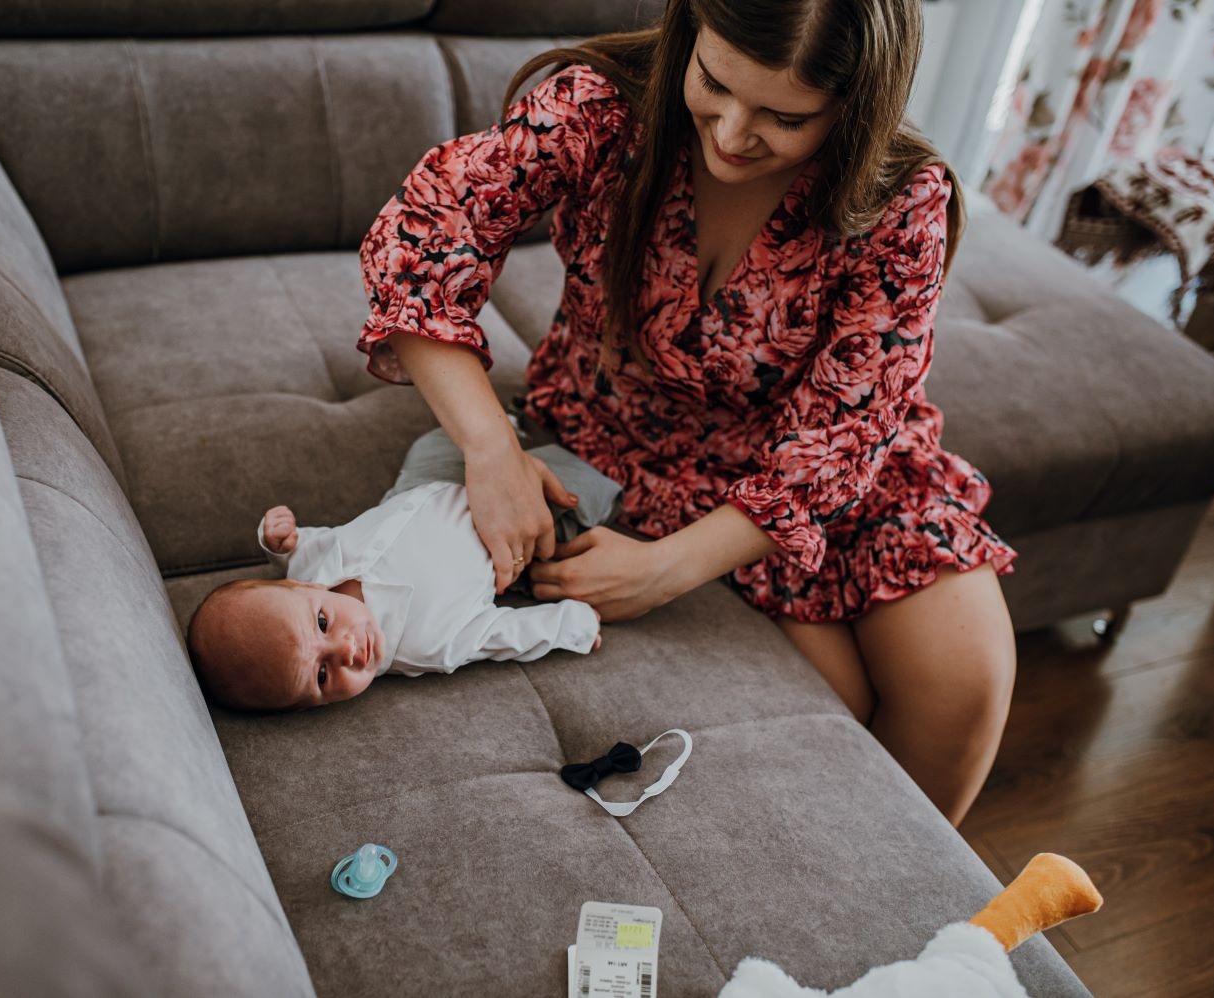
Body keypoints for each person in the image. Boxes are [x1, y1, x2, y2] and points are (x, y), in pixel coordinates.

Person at [353, 0, 1020, 827]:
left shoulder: (903, 196)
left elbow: (844, 432)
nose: (735, 134)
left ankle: (919, 938)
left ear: (859, 105)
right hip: (624, 436)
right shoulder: (600, 108)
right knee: (831, 712)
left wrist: (661, 570)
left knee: (967, 678)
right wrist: (490, 447)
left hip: (833, 465)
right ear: (689, 33)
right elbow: (423, 239)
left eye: (786, 116)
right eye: (716, 82)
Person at [186, 416, 623, 711]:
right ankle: (618, 465)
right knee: (581, 494)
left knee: (434, 442)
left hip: (428, 485)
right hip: (511, 536)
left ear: (303, 590)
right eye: (321, 676)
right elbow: (502, 635)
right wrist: (573, 625)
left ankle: (507, 419)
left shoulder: (311, 573)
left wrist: (278, 545)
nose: (347, 651)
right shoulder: (428, 643)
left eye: (321, 624)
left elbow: (305, 547)